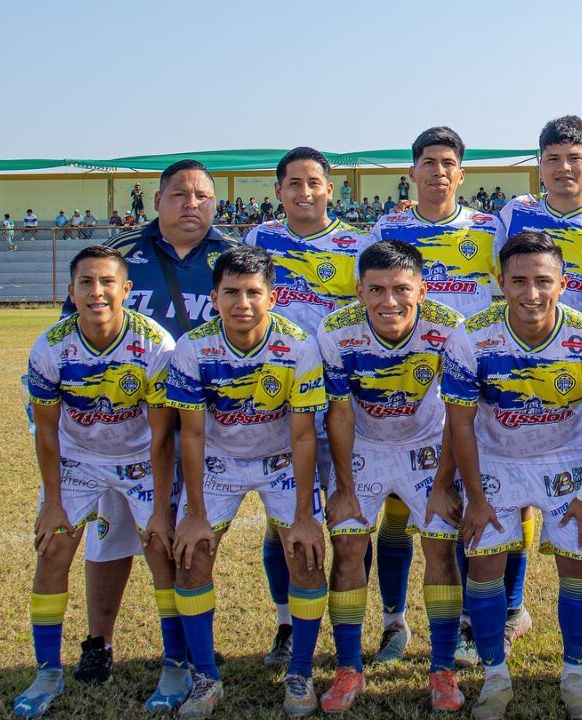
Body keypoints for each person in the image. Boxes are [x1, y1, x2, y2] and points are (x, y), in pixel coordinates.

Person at [55, 160, 234, 686]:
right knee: (111, 537)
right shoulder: (122, 253)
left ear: (215, 203)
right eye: (179, 194)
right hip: (127, 428)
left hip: (205, 423)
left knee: (187, 536)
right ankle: (99, 642)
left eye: (202, 196)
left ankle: (189, 644)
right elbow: (74, 329)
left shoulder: (232, 257)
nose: (191, 204)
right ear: (157, 201)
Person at [443, 232, 582, 720]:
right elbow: (460, 423)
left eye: (543, 281)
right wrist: (476, 498)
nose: (531, 293)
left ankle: (575, 676)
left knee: (576, 565)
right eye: (518, 281)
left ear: (563, 283)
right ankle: (495, 678)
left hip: (566, 458)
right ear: (501, 282)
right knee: (484, 568)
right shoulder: (469, 336)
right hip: (497, 458)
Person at [370, 127, 524, 666]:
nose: (438, 171)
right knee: (397, 509)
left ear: (462, 174)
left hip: (475, 380)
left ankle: (497, 612)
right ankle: (394, 620)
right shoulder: (388, 227)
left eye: (447, 163)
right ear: (412, 171)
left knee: (489, 495)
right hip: (406, 381)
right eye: (428, 162)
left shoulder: (489, 227)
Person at [14, 245, 182, 718]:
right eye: (86, 283)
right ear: (71, 292)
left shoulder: (155, 344)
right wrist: (52, 502)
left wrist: (160, 509)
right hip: (79, 459)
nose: (97, 292)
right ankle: (48, 671)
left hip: (140, 457)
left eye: (107, 282)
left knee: (161, 550)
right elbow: (46, 431)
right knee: (53, 549)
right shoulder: (50, 346)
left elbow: (161, 436)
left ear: (126, 289)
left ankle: (175, 664)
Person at [166, 246, 329, 718]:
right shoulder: (192, 347)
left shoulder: (299, 345)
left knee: (306, 557)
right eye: (231, 292)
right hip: (218, 461)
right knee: (191, 558)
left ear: (272, 298)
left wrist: (304, 516)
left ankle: (300, 671)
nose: (243, 303)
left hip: (280, 460)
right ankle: (205, 677)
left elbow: (303, 435)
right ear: (214, 297)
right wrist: (195, 514)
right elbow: (191, 434)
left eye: (253, 292)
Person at [316, 240, 468, 712]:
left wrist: (443, 483)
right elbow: (340, 413)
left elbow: (458, 411)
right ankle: (348, 668)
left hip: (426, 445)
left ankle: (442, 668)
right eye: (377, 290)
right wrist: (344, 487)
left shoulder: (449, 327)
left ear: (421, 291)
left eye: (402, 289)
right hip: (364, 445)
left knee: (440, 548)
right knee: (347, 547)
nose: (390, 301)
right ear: (359, 292)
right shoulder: (335, 330)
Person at [496, 115, 582, 666]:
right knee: (516, 486)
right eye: (553, 159)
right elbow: (499, 283)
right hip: (519, 366)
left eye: (575, 159)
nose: (564, 168)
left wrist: (573, 347)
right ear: (540, 165)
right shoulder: (514, 214)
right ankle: (512, 610)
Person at [241, 147, 376, 666]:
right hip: (279, 408)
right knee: (284, 522)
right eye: (293, 183)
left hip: (342, 405)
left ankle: (349, 634)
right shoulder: (259, 239)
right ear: (278, 191)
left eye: (313, 182)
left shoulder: (357, 245)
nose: (304, 192)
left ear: (329, 189)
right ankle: (285, 624)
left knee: (349, 521)